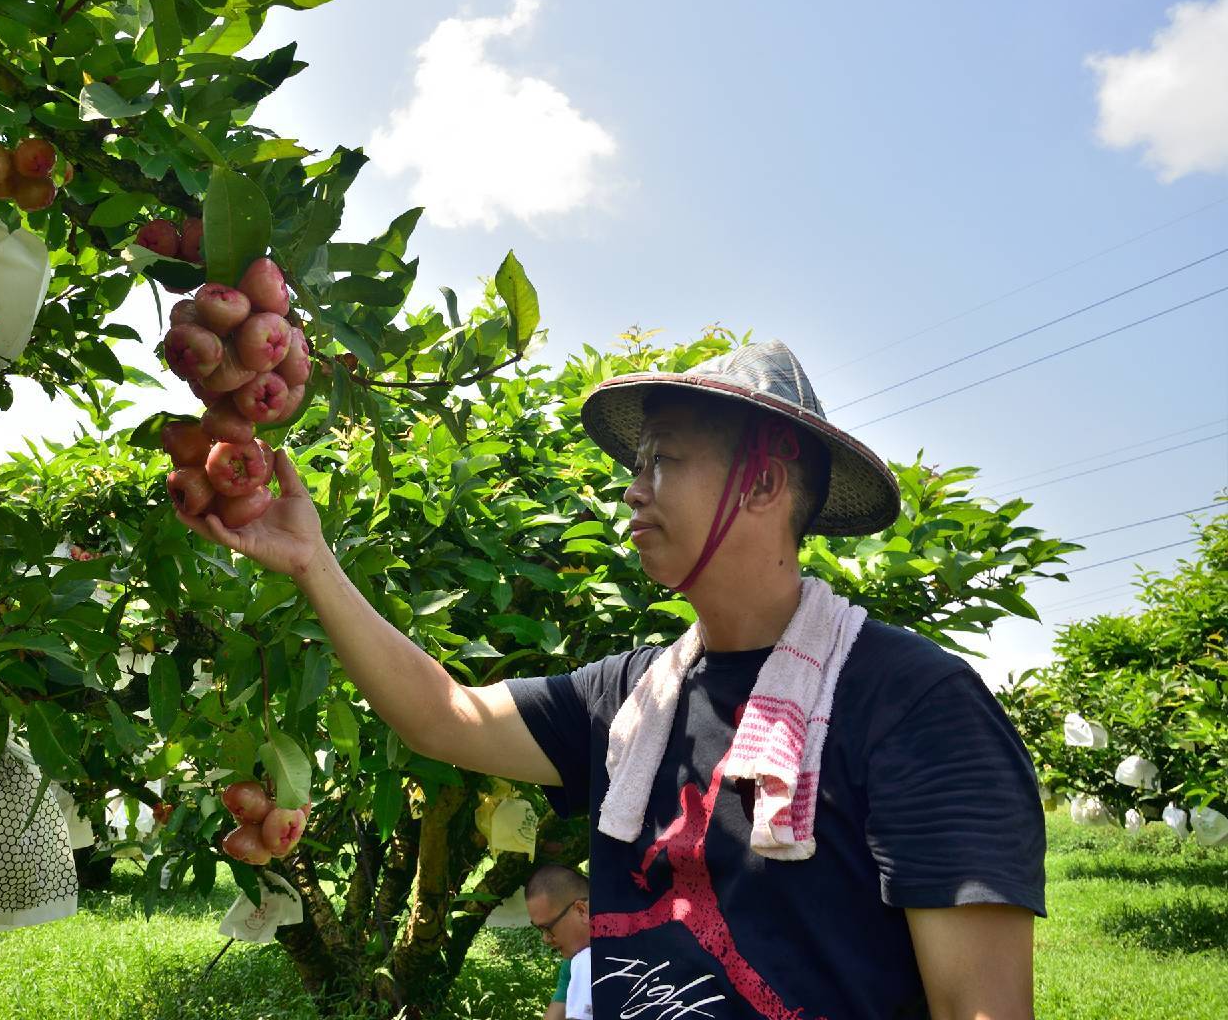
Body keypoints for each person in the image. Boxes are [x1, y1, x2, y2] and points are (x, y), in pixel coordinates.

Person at [180, 339, 1046, 1019]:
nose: (631, 492)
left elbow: (981, 1009)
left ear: (764, 483)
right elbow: (442, 717)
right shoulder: (633, 697)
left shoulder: (914, 706)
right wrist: (313, 565)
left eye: (660, 460)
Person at [527, 864, 592, 1020]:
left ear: (581, 911)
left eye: (547, 928)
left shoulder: (586, 961)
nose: (545, 939)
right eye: (540, 930)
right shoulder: (574, 962)